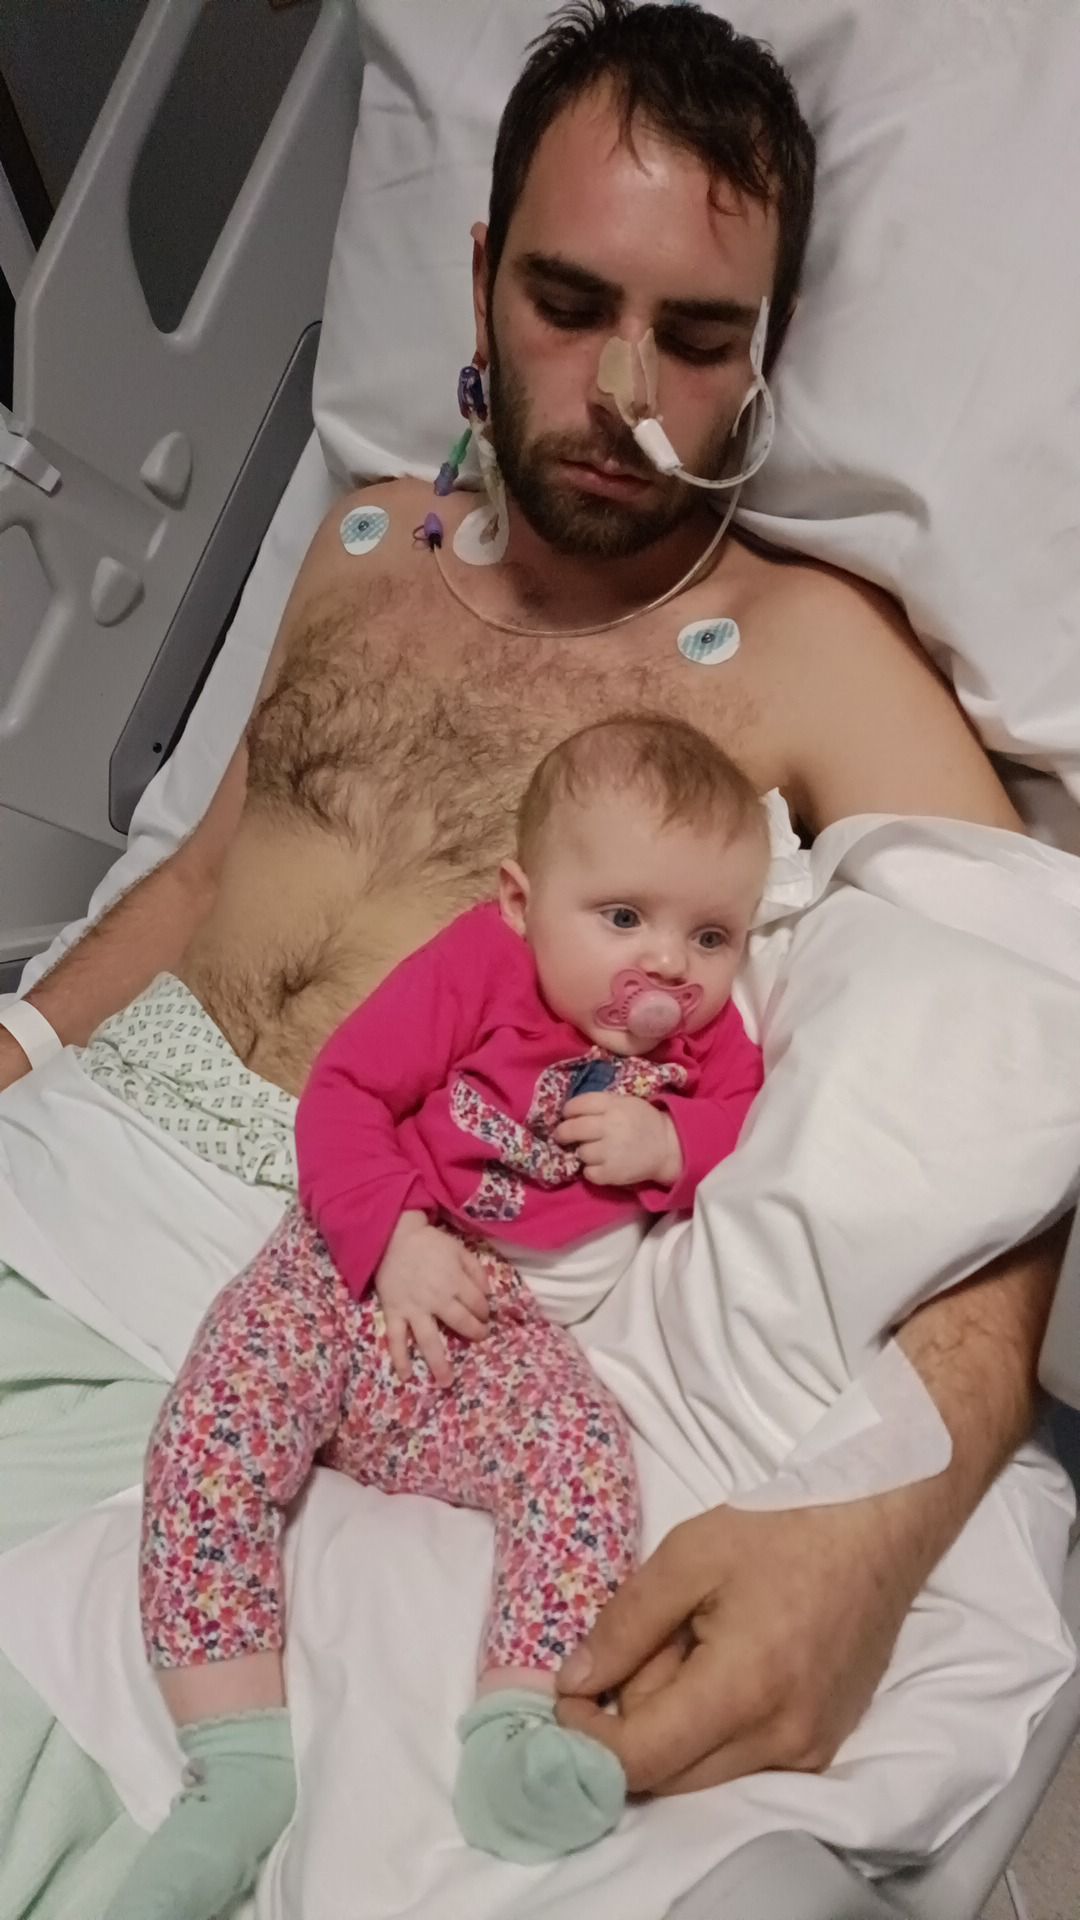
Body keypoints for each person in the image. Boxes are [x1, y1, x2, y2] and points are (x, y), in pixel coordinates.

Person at [0, 0, 1062, 1821]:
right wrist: (17, 1047)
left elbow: (1022, 1055)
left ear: (765, 355)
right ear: (483, 274)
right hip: (70, 1164)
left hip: (341, 1280)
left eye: (697, 338)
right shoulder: (360, 544)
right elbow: (195, 877)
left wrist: (886, 1521)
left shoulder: (814, 652)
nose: (625, 390)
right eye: (569, 303)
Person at [103, 715, 769, 1919]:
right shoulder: (478, 966)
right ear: (521, 901)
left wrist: (675, 1142)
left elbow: (751, 1130)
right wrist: (393, 1239)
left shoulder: (709, 1045)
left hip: (496, 1334)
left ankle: (516, 1728)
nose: (670, 966)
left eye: (711, 936)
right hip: (357, 1258)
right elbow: (345, 1093)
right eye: (624, 918)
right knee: (216, 1423)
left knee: (583, 1458)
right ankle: (237, 1763)